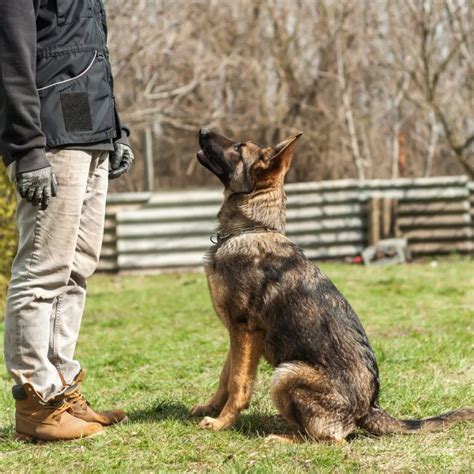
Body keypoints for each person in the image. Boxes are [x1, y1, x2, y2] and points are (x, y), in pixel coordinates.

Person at [0, 1, 134, 442]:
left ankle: (61, 386)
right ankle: (36, 400)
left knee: (78, 266)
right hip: (47, 134)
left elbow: (82, 55)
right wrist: (26, 147)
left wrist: (111, 130)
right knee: (44, 269)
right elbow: (11, 55)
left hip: (84, 125)